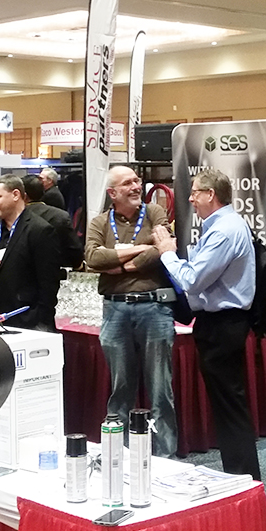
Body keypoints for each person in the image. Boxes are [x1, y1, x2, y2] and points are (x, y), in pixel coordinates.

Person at [152, 168, 259, 478]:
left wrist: (168, 254)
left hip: (222, 326)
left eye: (195, 192)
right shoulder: (225, 225)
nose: (190, 198)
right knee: (228, 407)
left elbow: (193, 280)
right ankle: (240, 475)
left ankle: (243, 478)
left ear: (211, 195)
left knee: (230, 408)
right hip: (221, 324)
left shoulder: (224, 230)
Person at [84, 165, 178, 457]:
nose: (136, 186)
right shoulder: (99, 222)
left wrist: (120, 262)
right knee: (120, 387)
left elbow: (162, 249)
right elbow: (92, 258)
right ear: (113, 193)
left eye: (137, 180)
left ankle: (165, 454)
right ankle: (117, 454)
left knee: (161, 388)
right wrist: (141, 247)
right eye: (128, 183)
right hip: (115, 311)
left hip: (154, 308)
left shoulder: (155, 213)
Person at [0, 175, 61, 331]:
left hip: (28, 323)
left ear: (16, 195)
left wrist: (37, 319)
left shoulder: (40, 230)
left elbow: (48, 283)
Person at [22, 174, 82, 269]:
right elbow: (73, 249)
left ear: (23, 196)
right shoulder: (61, 216)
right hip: (56, 272)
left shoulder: (14, 218)